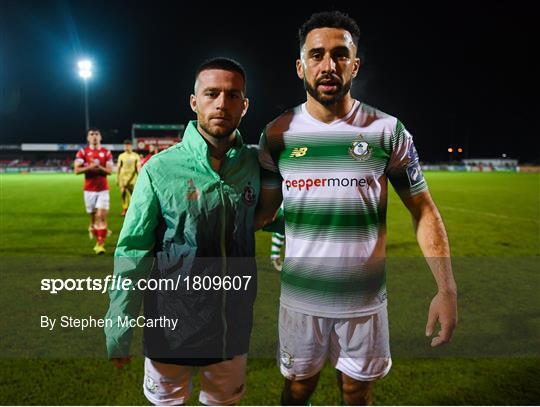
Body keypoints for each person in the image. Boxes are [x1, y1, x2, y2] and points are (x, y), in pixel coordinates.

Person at [256, 11, 458, 405]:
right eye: (316, 55)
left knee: (356, 389)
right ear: (300, 66)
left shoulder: (387, 131)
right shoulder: (276, 134)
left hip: (364, 302)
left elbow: (423, 210)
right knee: (298, 387)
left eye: (340, 54)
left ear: (355, 64)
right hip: (301, 300)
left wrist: (447, 288)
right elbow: (263, 212)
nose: (328, 65)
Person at [105, 57, 259, 406]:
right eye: (212, 93)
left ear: (244, 105)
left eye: (233, 95)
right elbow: (132, 253)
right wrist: (119, 327)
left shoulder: (254, 165)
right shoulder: (159, 169)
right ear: (195, 102)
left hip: (231, 329)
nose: (222, 103)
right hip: (169, 329)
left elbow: (273, 214)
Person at [74, 128, 113, 254]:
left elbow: (109, 171)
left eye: (96, 134)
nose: (94, 136)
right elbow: (76, 170)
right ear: (88, 138)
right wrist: (90, 167)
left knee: (100, 216)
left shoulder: (106, 153)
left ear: (100, 137)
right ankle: (93, 227)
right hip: (89, 190)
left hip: (103, 189)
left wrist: (98, 167)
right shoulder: (82, 152)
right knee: (93, 216)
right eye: (91, 134)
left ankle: (100, 244)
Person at [116, 140, 141, 216]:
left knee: (133, 195)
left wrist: (140, 177)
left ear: (131, 146)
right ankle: (125, 209)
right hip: (123, 179)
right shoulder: (121, 156)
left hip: (133, 179)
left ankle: (133, 209)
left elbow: (138, 168)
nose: (126, 147)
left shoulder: (136, 155)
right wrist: (117, 178)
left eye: (128, 145)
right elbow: (119, 168)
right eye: (125, 145)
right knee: (123, 194)